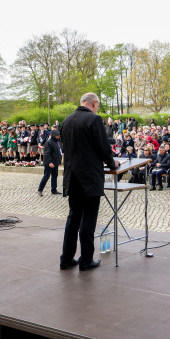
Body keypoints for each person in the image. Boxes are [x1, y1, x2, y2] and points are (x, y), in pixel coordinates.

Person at [60, 93, 120, 272]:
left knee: (73, 217)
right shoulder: (94, 119)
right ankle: (86, 260)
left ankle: (66, 259)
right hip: (89, 177)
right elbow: (103, 147)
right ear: (94, 103)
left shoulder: (67, 120)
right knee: (88, 219)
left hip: (72, 175)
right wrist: (112, 163)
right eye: (98, 106)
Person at [38, 130, 62, 196]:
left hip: (56, 162)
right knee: (46, 176)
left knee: (54, 176)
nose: (58, 136)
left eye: (59, 135)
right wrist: (50, 162)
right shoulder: (49, 142)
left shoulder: (58, 142)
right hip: (50, 163)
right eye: (57, 135)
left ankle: (54, 190)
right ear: (53, 135)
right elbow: (46, 154)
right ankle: (40, 190)